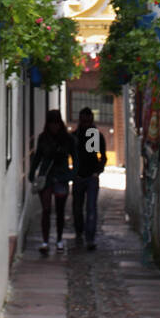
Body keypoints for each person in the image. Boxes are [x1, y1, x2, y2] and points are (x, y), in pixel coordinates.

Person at [29, 108, 75, 254]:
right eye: (51, 123)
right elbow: (37, 157)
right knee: (46, 209)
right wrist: (32, 172)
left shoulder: (68, 139)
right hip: (46, 177)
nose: (54, 126)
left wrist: (71, 174)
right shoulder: (43, 138)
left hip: (61, 177)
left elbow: (75, 158)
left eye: (56, 123)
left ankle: (59, 239)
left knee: (60, 210)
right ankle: (45, 241)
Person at [72, 107, 106, 249]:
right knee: (77, 208)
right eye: (83, 121)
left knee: (91, 207)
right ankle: (79, 231)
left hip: (91, 177)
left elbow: (102, 156)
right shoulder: (75, 136)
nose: (85, 123)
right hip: (79, 177)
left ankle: (90, 237)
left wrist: (97, 172)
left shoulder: (95, 136)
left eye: (87, 121)